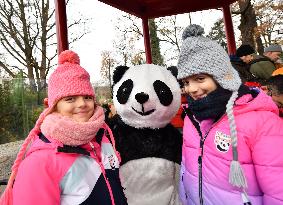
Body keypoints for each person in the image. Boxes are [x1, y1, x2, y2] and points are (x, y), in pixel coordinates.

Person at [0, 50, 127, 205]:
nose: (82, 104)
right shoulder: (40, 162)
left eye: (87, 97)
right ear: (54, 106)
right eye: (70, 99)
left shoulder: (103, 136)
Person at [177, 24, 283, 205]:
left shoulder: (261, 121)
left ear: (222, 75)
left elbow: (278, 192)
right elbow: (187, 172)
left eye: (200, 78)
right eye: (186, 82)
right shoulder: (192, 117)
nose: (191, 89)